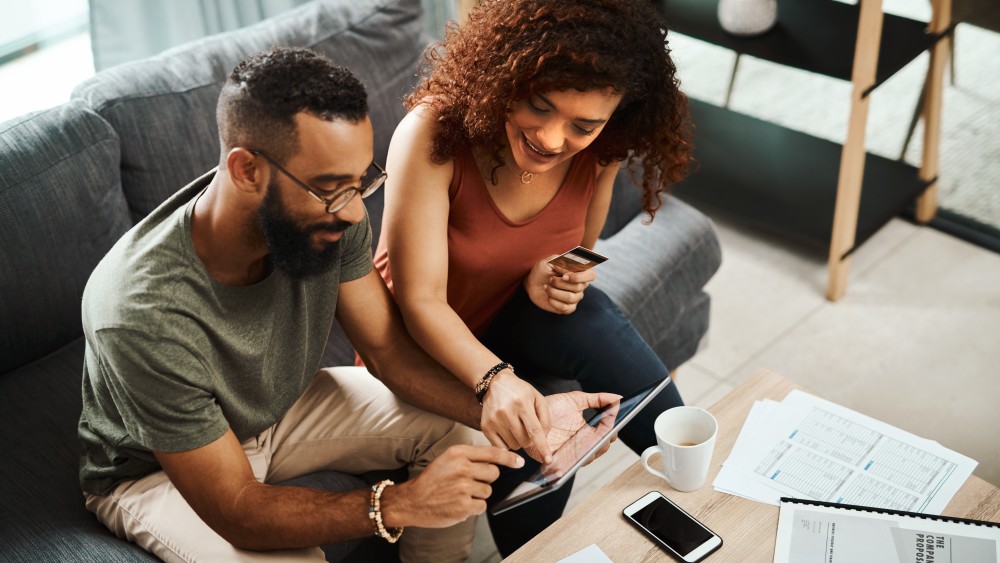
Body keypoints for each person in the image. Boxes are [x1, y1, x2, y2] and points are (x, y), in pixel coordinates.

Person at [77, 46, 616, 563]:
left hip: (277, 408)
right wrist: (401, 503)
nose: (358, 214)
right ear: (246, 172)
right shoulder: (140, 313)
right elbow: (236, 508)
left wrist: (529, 415)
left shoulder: (333, 213)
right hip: (157, 470)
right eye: (333, 189)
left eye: (363, 182)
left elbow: (388, 352)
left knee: (461, 429)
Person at [376, 0, 694, 553]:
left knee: (586, 319)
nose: (551, 139)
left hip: (512, 322)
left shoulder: (603, 149)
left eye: (583, 125)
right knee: (543, 418)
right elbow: (421, 302)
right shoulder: (434, 134)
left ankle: (701, 485)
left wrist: (548, 277)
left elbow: (576, 250)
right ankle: (540, 544)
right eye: (539, 106)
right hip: (427, 349)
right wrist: (498, 380)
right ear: (509, 73)